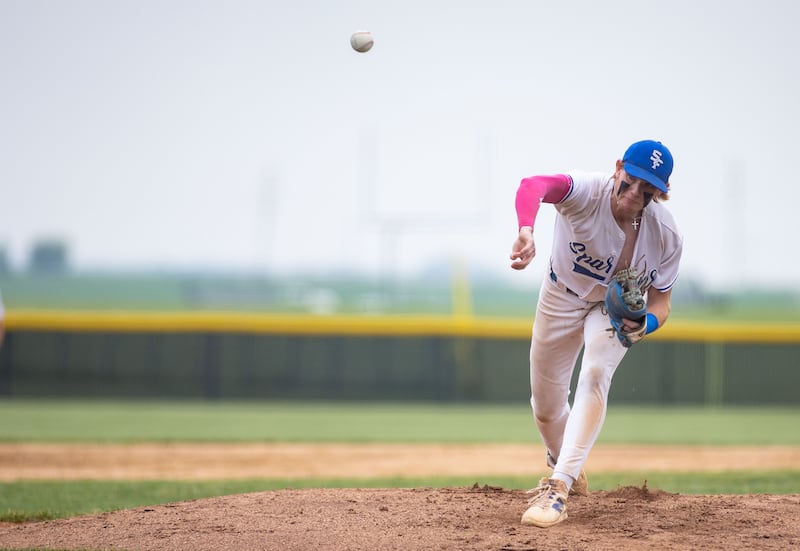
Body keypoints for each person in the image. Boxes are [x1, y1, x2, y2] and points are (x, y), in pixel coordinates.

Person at [509, 140, 683, 528]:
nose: (636, 192)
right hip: (560, 295)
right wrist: (526, 230)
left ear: (660, 193)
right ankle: (565, 461)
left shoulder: (666, 234)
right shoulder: (586, 190)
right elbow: (532, 185)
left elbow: (661, 303)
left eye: (649, 188)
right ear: (618, 168)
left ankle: (559, 487)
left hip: (611, 307)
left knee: (595, 374)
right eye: (632, 179)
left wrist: (645, 324)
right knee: (545, 406)